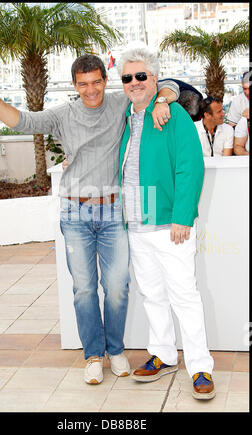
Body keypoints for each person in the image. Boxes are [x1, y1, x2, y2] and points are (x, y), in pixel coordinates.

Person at [0, 54, 179, 385]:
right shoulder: (63, 114)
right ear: (74, 85)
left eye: (96, 82)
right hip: (75, 212)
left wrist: (163, 101)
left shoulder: (120, 104)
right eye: (83, 84)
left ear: (105, 81)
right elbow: (24, 121)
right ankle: (93, 355)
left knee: (116, 287)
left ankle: (115, 350)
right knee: (84, 289)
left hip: (113, 210)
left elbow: (167, 85)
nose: (90, 90)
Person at [117, 47, 215, 400]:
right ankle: (163, 354)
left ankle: (200, 366)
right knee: (152, 294)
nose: (134, 83)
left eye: (141, 76)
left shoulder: (171, 113)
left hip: (170, 224)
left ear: (155, 79)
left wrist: (182, 216)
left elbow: (191, 167)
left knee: (184, 296)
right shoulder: (125, 116)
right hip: (137, 225)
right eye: (127, 78)